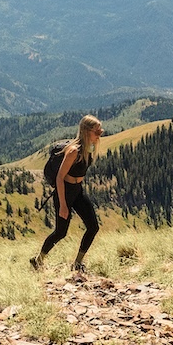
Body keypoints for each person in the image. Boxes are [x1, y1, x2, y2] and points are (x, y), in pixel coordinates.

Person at [30, 115, 103, 272]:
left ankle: (77, 263)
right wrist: (63, 205)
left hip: (77, 190)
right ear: (86, 131)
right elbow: (60, 177)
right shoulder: (73, 151)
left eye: (100, 131)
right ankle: (38, 260)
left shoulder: (89, 147)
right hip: (65, 192)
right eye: (97, 131)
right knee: (60, 232)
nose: (99, 134)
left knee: (93, 226)